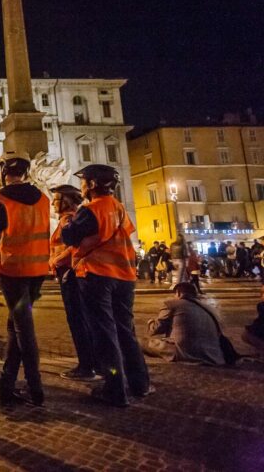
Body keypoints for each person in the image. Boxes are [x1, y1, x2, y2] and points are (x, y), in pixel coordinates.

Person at [62, 164, 151, 408]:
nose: (81, 186)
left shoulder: (91, 209)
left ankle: (115, 389)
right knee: (126, 330)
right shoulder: (118, 207)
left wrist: (69, 224)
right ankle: (140, 383)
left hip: (97, 274)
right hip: (124, 275)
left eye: (84, 182)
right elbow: (124, 232)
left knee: (104, 333)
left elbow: (69, 237)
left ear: (92, 185)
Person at [0, 150, 50, 407]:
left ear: (4, 174)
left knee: (24, 330)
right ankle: (6, 386)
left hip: (12, 271)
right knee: (15, 327)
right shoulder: (43, 199)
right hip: (38, 272)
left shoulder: (0, 199)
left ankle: (36, 388)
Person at [49, 184, 98, 381]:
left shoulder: (69, 219)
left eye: (56, 199)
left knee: (77, 319)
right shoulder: (68, 218)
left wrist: (56, 260)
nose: (52, 202)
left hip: (70, 273)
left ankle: (86, 366)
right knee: (79, 319)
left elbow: (74, 246)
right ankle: (89, 363)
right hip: (69, 272)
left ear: (66, 201)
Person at [143, 282, 224, 365]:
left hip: (183, 351)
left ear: (178, 293)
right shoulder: (208, 308)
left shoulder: (171, 304)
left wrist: (151, 321)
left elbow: (156, 329)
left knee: (140, 342)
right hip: (213, 356)